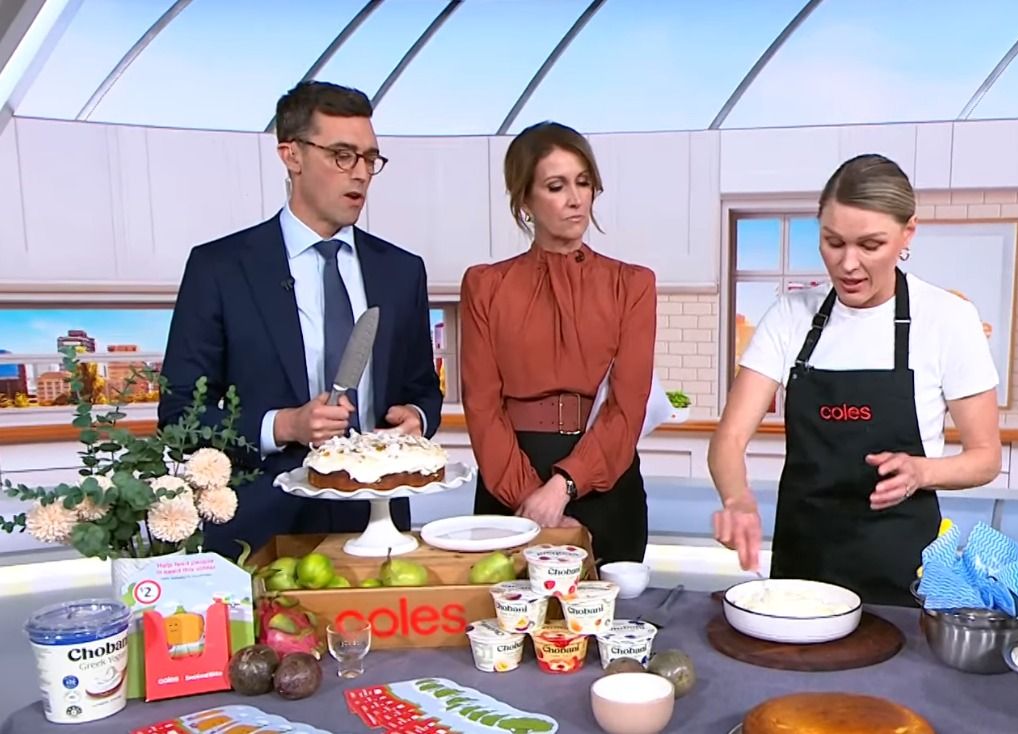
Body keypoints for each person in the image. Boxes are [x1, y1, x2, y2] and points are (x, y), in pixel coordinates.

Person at [160, 81, 443, 557]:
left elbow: (422, 389)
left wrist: (416, 417)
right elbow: (179, 416)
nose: (361, 174)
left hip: (376, 528)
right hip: (259, 529)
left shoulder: (400, 271)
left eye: (370, 159)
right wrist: (283, 426)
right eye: (342, 156)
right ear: (291, 155)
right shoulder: (221, 268)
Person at [708, 154, 1002, 607]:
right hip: (801, 574)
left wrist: (921, 471)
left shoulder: (948, 319)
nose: (848, 264)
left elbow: (985, 458)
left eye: (870, 245)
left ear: (908, 233)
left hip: (902, 576)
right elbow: (728, 440)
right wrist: (737, 499)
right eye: (833, 242)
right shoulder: (791, 317)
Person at [461, 121, 657, 565]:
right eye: (556, 186)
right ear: (524, 200)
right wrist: (530, 499)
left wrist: (563, 486)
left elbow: (628, 407)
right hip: (511, 483)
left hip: (607, 483)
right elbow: (482, 407)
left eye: (583, 183)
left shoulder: (633, 285)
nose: (575, 198)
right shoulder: (485, 285)